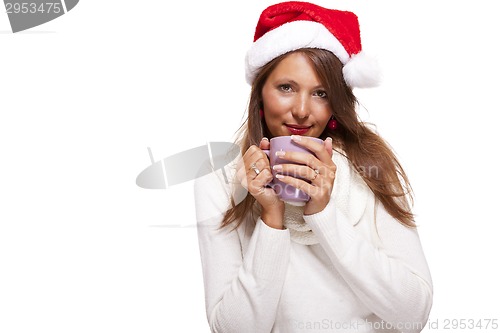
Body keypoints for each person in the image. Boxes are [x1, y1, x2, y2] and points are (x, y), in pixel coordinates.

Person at [195, 1, 433, 332]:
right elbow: (235, 329)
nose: (302, 111)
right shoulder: (218, 178)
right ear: (259, 93)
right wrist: (272, 218)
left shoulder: (370, 164)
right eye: (286, 88)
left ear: (336, 102)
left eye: (320, 92)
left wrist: (323, 213)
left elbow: (413, 315)